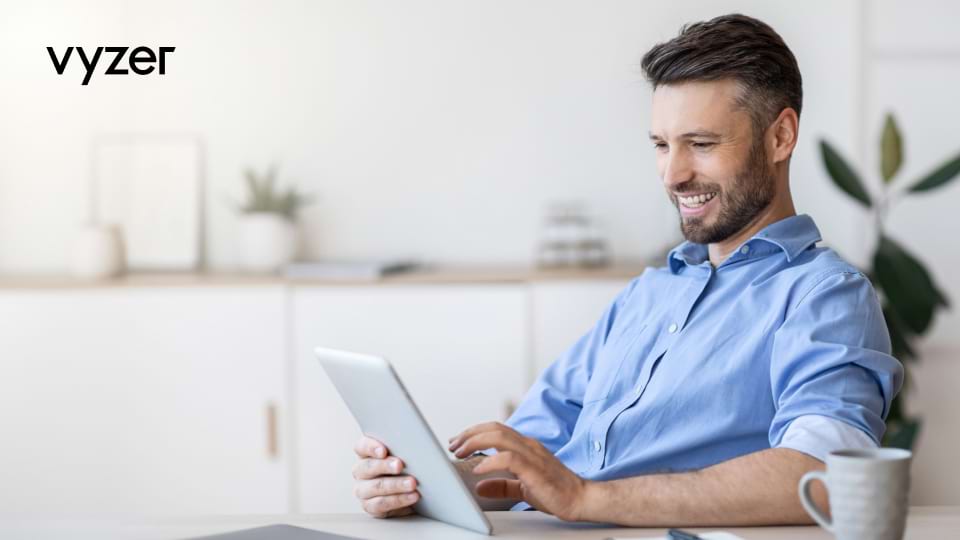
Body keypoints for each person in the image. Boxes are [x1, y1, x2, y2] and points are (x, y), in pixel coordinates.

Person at [350, 13, 903, 526]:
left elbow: (824, 474)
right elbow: (532, 454)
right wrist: (434, 484)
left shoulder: (824, 295)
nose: (673, 174)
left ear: (780, 136)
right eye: (661, 145)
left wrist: (585, 497)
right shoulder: (652, 292)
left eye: (702, 144)